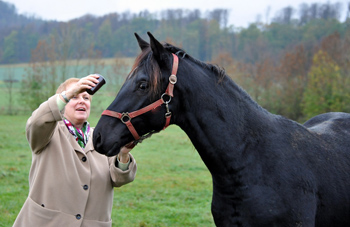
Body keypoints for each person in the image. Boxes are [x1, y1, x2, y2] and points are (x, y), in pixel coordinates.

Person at [13, 74, 137, 227]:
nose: (81, 101)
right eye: (74, 97)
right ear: (63, 102)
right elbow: (36, 123)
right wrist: (69, 92)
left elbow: (120, 179)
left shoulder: (100, 138)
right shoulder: (48, 133)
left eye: (86, 98)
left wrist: (123, 153)